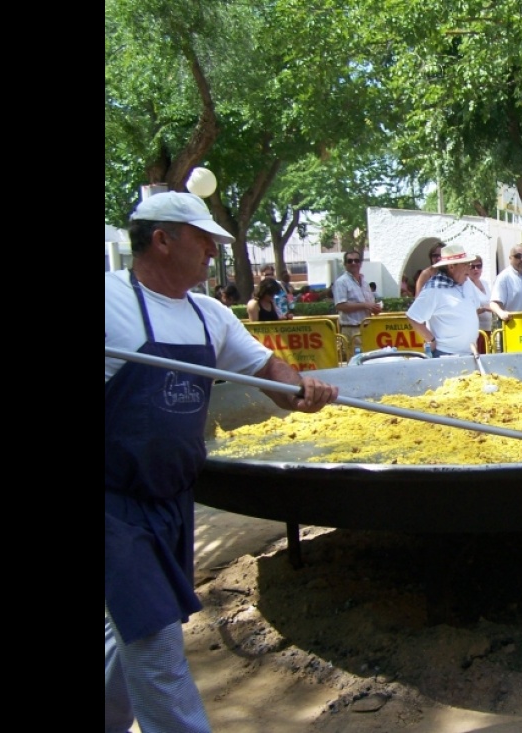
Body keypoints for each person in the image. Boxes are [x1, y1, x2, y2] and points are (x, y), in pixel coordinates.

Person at [105, 192, 339, 733]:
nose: (213, 251)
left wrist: (297, 388)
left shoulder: (208, 314)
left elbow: (266, 368)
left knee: (131, 633)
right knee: (156, 638)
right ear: (162, 240)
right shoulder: (110, 300)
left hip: (170, 502)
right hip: (114, 504)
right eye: (204, 239)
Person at [407, 243, 480, 357]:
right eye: (465, 264)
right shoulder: (434, 289)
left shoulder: (467, 283)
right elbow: (413, 317)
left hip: (470, 352)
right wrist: (430, 340)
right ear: (451, 267)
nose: (469, 268)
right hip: (446, 355)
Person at [332, 250, 384, 346]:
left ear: (360, 263)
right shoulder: (341, 282)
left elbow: (369, 304)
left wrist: (374, 309)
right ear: (345, 264)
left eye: (356, 260)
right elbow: (340, 306)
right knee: (355, 359)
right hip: (352, 330)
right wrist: (365, 305)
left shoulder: (364, 282)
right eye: (350, 261)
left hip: (367, 328)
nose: (353, 263)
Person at [490, 244, 522, 323]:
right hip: (511, 325)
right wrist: (501, 313)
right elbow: (493, 303)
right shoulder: (503, 277)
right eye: (518, 256)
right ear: (510, 258)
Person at [467, 254, 493, 353]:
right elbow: (467, 310)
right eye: (472, 267)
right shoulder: (467, 285)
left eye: (479, 266)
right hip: (476, 330)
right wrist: (485, 308)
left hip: (488, 329)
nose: (476, 269)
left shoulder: (485, 283)